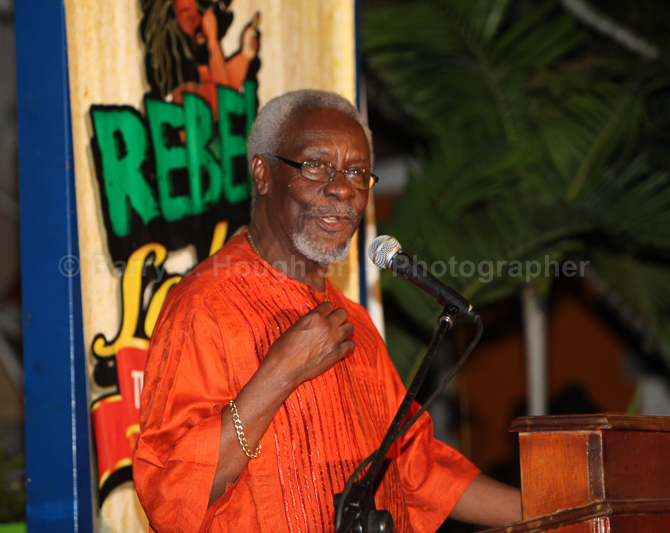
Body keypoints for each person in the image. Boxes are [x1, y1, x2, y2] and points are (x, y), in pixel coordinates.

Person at [132, 89, 522, 532]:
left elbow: (420, 469)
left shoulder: (354, 324)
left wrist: (560, 510)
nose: (342, 188)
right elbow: (172, 496)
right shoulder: (206, 304)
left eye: (357, 172)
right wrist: (279, 374)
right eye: (316, 165)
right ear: (262, 174)